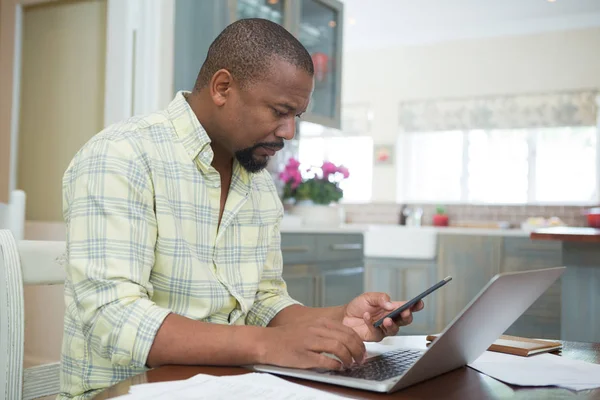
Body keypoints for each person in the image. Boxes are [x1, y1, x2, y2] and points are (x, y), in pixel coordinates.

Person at [58, 18, 423, 399]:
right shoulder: (121, 156)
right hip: (121, 391)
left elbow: (263, 301)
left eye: (295, 116)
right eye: (279, 111)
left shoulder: (258, 184)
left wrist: (339, 319)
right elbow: (113, 316)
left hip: (227, 386)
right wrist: (266, 345)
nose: (289, 132)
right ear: (222, 88)